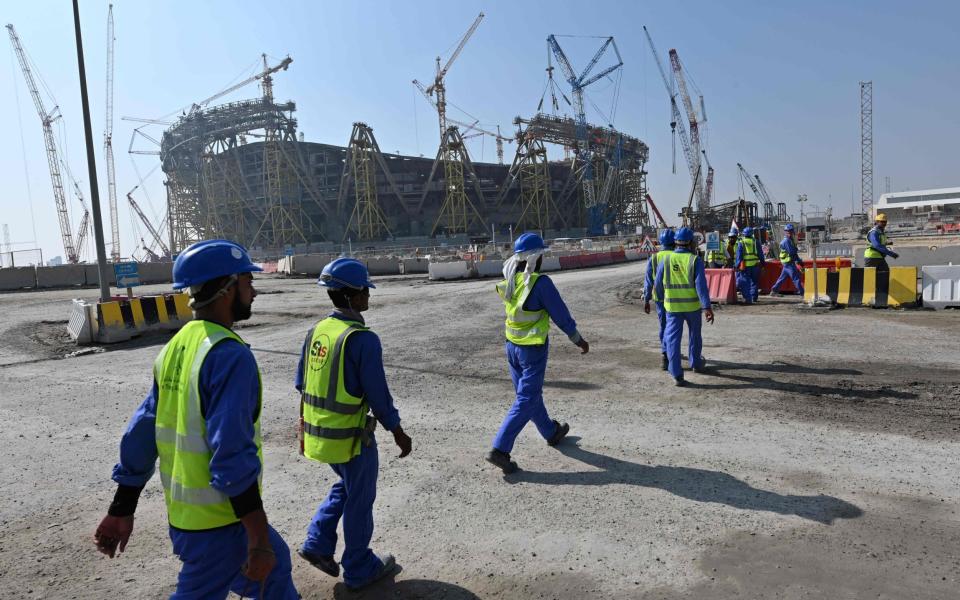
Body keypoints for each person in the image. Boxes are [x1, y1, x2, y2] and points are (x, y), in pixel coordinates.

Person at [93, 239, 299, 599]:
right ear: (226, 289)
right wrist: (258, 538)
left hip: (189, 520)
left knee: (276, 574)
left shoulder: (177, 347)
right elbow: (232, 454)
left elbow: (142, 433)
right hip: (219, 526)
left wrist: (121, 508)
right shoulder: (230, 356)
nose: (254, 291)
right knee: (255, 569)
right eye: (247, 282)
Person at [295, 258, 412, 590]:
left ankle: (317, 542)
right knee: (360, 499)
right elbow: (379, 396)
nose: (368, 297)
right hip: (351, 439)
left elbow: (301, 383)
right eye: (364, 291)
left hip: (319, 436)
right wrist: (398, 432)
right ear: (350, 296)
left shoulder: (315, 331)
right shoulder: (362, 340)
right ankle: (360, 568)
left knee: (347, 486)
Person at [486, 233, 590, 474]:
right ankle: (500, 449)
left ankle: (550, 432)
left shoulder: (511, 280)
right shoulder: (540, 283)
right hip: (532, 348)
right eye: (542, 255)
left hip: (511, 345)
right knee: (526, 398)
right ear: (535, 258)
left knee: (529, 395)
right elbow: (561, 315)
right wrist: (578, 340)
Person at [654, 227, 715, 386]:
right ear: (690, 243)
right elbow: (701, 286)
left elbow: (658, 284)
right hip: (693, 308)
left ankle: (676, 374)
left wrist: (661, 299)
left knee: (672, 339)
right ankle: (696, 364)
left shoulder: (665, 260)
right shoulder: (695, 260)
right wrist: (707, 307)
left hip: (672, 309)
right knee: (695, 336)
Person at [643, 229, 675, 370]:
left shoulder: (654, 258)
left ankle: (665, 355)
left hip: (660, 299)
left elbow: (648, 281)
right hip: (675, 298)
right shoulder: (677, 255)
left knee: (663, 326)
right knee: (674, 328)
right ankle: (672, 353)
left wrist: (646, 299)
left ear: (660, 242)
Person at [771, 223, 805, 297]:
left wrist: (799, 260)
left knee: (782, 278)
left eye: (790, 231)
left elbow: (793, 253)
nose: (789, 233)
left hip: (787, 263)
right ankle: (803, 293)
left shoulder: (789, 240)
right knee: (796, 278)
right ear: (786, 232)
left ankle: (774, 290)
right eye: (788, 231)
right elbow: (792, 252)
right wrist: (798, 261)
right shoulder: (786, 241)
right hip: (789, 263)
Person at [734, 226, 765, 304]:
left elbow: (739, 255)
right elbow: (761, 254)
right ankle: (754, 297)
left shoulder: (742, 242)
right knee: (754, 282)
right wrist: (763, 263)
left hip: (745, 266)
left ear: (744, 234)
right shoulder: (756, 241)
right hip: (755, 265)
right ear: (752, 234)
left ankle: (748, 299)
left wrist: (737, 265)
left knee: (745, 282)